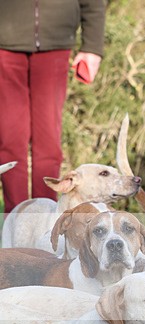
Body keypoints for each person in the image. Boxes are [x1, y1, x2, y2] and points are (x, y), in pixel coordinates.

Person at [0, 0, 106, 214]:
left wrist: (92, 46)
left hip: (56, 44)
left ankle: (44, 220)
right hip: (5, 43)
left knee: (48, 140)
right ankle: (15, 220)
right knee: (10, 139)